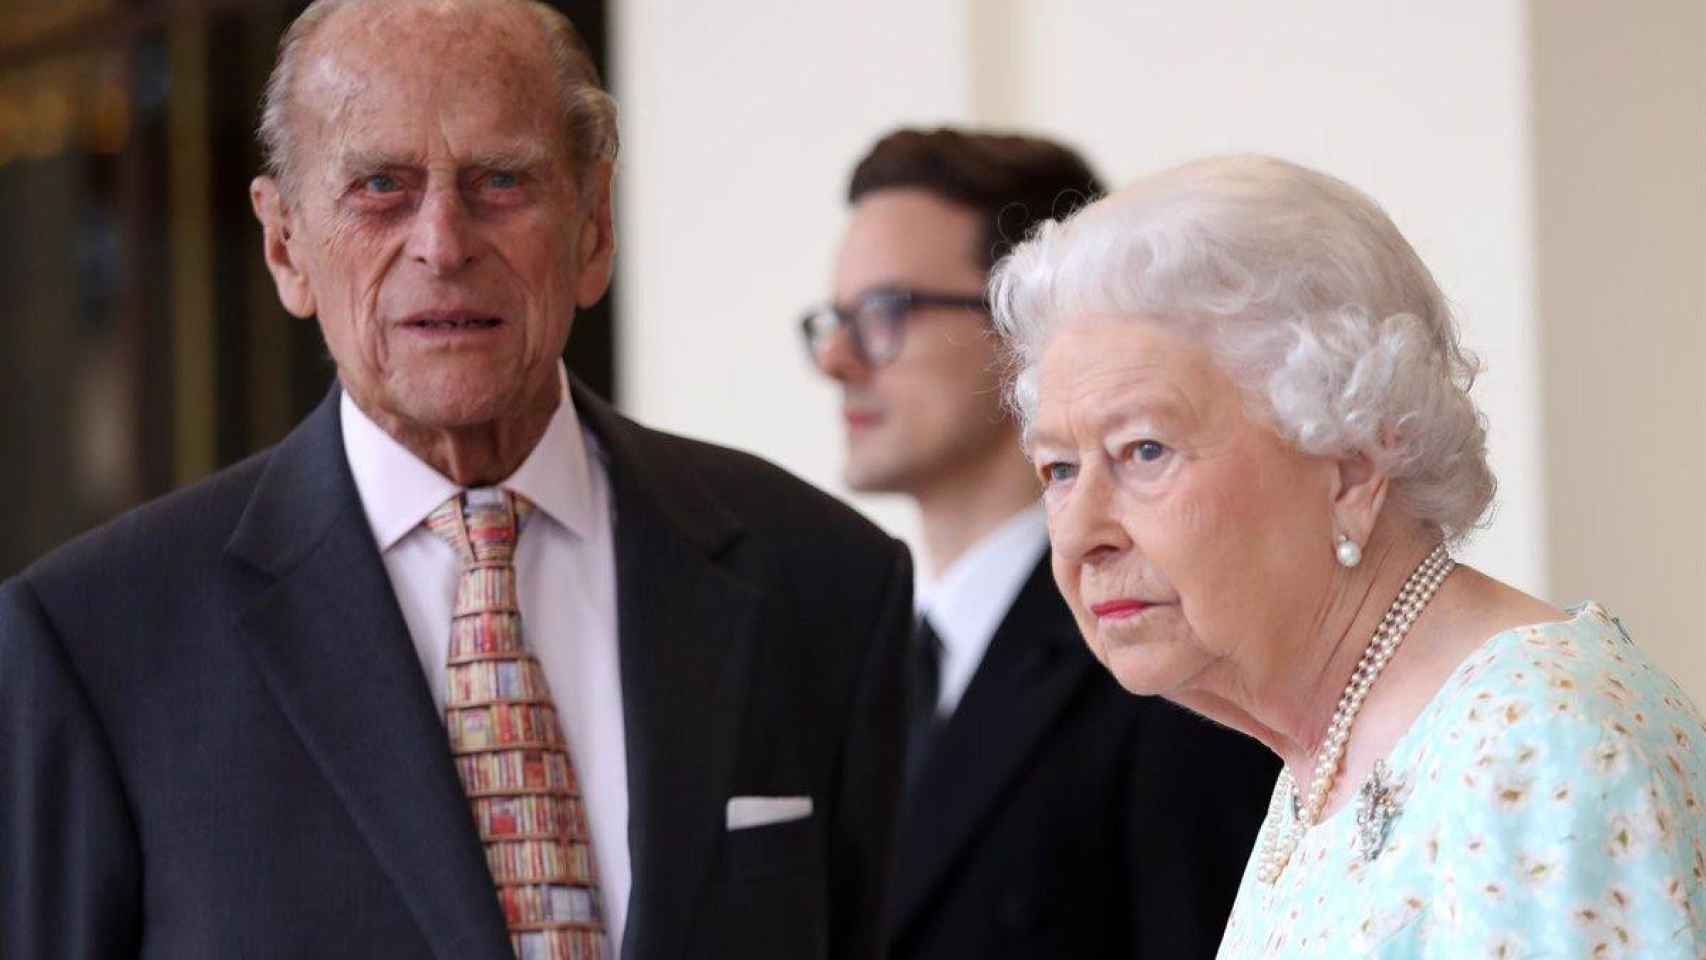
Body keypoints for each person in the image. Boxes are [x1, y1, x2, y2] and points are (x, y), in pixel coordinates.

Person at [0, 2, 912, 958]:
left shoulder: (824, 580)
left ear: (595, 226)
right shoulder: (98, 643)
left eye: (502, 180)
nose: (443, 241)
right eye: (381, 186)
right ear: (285, 247)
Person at [990, 152, 1706, 957]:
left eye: (1145, 450)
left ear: (1351, 467)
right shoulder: (1327, 768)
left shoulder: (1537, 749)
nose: (1083, 532)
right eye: (1058, 468)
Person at [802, 128, 1278, 959]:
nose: (838, 358)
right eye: (834, 320)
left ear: (1028, 328)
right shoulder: (847, 661)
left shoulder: (1165, 649)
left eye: (885, 313)